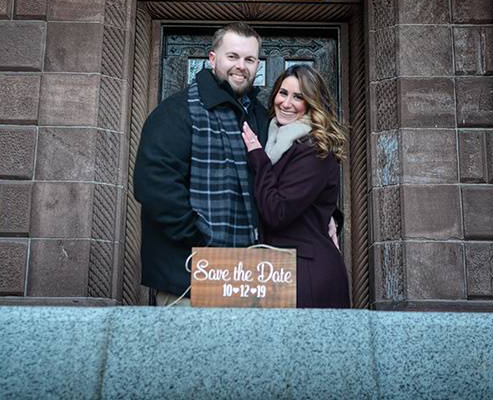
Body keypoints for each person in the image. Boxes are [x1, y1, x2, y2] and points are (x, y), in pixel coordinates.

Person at [134, 22, 269, 307]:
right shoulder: (176, 112)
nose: (240, 66)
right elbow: (154, 185)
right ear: (212, 59)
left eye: (249, 59)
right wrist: (198, 237)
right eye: (232, 56)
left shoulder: (261, 116)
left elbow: (288, 176)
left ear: (257, 64)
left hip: (252, 277)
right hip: (188, 279)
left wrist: (329, 214)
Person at [241, 64, 351, 308]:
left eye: (298, 97)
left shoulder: (314, 151)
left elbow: (277, 212)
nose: (287, 103)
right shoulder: (275, 139)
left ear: (312, 104)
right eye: (283, 93)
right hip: (280, 269)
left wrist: (257, 157)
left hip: (308, 273)